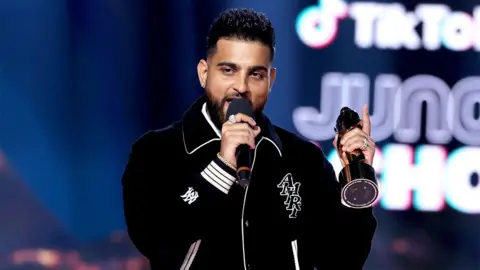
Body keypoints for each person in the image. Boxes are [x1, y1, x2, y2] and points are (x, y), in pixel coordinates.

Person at [122, 8, 377, 270]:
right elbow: (153, 238)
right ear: (204, 73)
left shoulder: (303, 159)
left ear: (271, 80)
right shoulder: (155, 151)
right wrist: (222, 166)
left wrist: (357, 182)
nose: (241, 86)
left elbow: (341, 260)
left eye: (255, 74)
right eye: (228, 70)